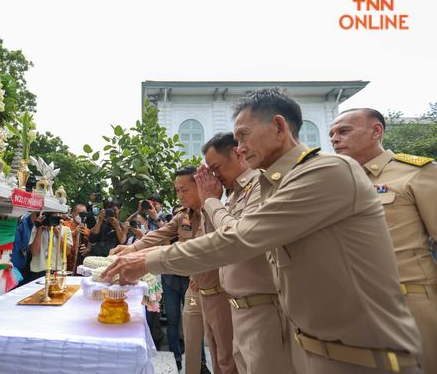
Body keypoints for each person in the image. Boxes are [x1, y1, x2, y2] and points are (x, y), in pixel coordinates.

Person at [104, 88, 422, 374]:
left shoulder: (324, 172)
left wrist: (144, 261)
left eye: (243, 136)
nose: (240, 148)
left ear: (279, 127)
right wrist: (139, 253)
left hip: (361, 356)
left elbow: (239, 238)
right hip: (310, 346)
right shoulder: (272, 183)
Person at [330, 107, 437, 373]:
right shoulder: (338, 182)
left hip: (410, 303)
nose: (334, 139)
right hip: (355, 307)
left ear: (376, 131)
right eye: (331, 134)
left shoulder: (416, 173)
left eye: (344, 131)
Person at [110, 167, 222, 374]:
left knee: (221, 351)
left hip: (219, 291)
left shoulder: (217, 213)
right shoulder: (183, 216)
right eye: (177, 190)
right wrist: (132, 248)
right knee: (189, 339)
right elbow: (162, 233)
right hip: (194, 288)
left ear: (200, 186)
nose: (179, 195)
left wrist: (142, 258)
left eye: (184, 190)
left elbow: (189, 249)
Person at [200, 132, 294, 374]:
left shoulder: (260, 186)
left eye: (216, 167)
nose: (214, 175)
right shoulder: (232, 194)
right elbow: (214, 243)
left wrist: (211, 202)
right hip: (238, 306)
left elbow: (237, 238)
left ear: (236, 153)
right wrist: (209, 203)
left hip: (263, 306)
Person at [26, 214, 72, 282]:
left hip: (57, 272)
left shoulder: (65, 230)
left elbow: (67, 251)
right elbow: (34, 252)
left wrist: (56, 232)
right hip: (39, 272)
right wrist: (40, 228)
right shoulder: (36, 229)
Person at [61, 204, 91, 273]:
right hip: (64, 264)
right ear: (73, 214)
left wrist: (87, 250)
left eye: (84, 213)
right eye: (80, 213)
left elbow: (89, 249)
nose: (82, 216)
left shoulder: (87, 231)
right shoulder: (64, 224)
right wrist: (74, 232)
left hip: (78, 268)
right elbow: (59, 238)